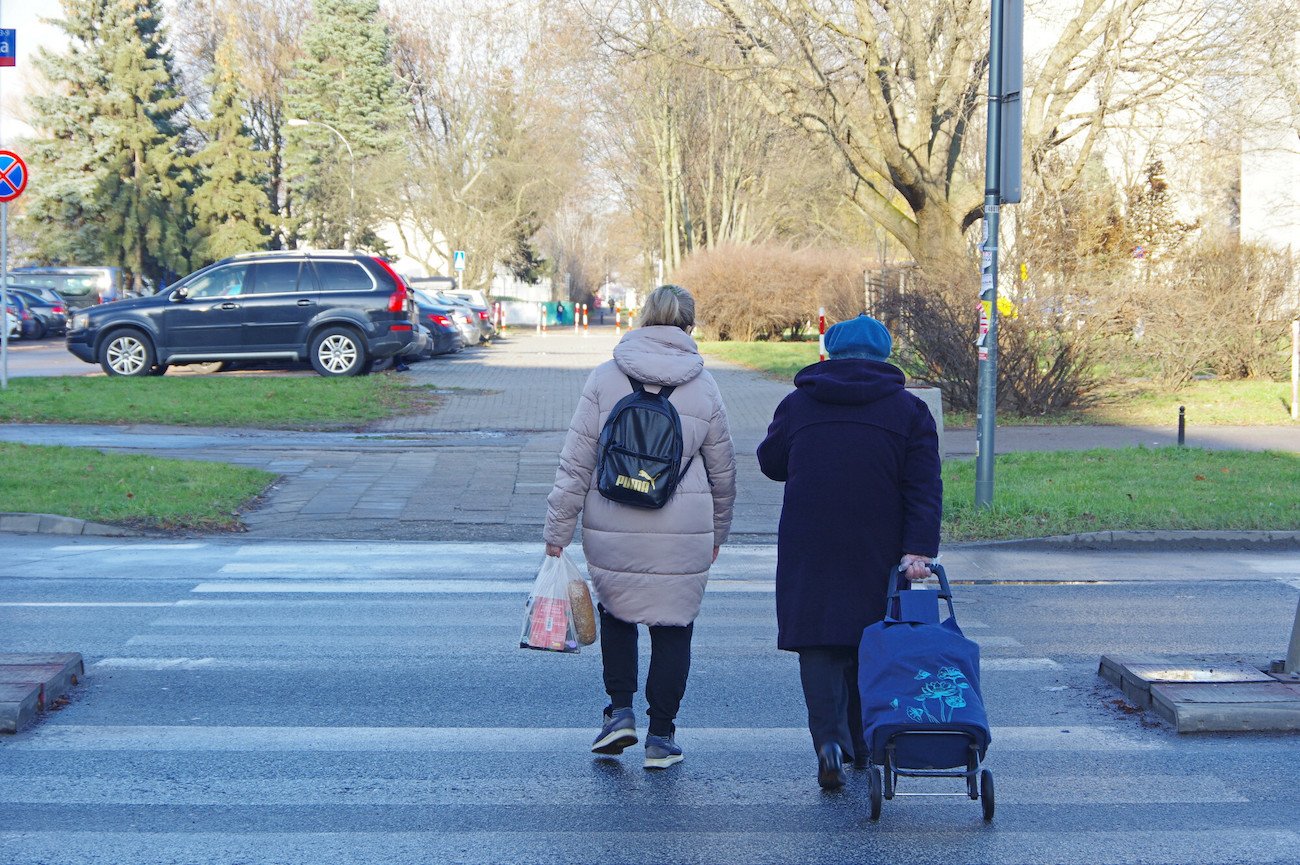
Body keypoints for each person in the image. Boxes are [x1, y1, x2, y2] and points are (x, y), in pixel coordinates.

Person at [544, 284, 737, 770]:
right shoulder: (705, 385)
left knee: (618, 613)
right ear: (688, 326)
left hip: (613, 517)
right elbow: (724, 473)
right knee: (674, 627)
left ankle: (620, 713)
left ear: (644, 317)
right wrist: (718, 533)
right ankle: (662, 736)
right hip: (683, 527)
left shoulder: (606, 378)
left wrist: (557, 533)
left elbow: (575, 463)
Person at [756, 313, 942, 790]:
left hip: (810, 541)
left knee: (818, 643)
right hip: (878, 543)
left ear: (830, 352)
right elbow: (923, 487)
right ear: (884, 355)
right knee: (871, 640)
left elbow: (771, 463)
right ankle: (863, 745)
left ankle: (828, 744)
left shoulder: (798, 403)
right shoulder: (909, 412)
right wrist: (918, 549)